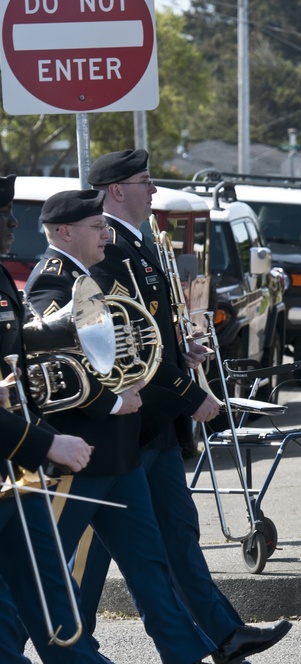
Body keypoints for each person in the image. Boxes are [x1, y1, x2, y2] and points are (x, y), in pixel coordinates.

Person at [84, 149, 291, 663]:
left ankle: (223, 635)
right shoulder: (105, 248)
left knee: (176, 534)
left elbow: (149, 331)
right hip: (130, 424)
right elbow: (121, 349)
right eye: (144, 181)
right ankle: (61, 644)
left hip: (153, 425)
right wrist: (190, 393)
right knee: (98, 555)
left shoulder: (138, 241)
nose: (153, 189)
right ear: (116, 190)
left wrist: (183, 351)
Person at [24, 188, 219, 663]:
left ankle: (184, 654)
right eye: (97, 227)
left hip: (119, 454)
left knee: (147, 564)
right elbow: (52, 365)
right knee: (40, 572)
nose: (106, 234)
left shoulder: (88, 274)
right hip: (80, 454)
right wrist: (111, 402)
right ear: (64, 232)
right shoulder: (52, 280)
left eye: (105, 226)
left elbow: (124, 348)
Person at [0, 175, 107, 663]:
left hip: (15, 471)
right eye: (4, 213)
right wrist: (43, 443)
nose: (14, 221)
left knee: (52, 599)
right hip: (20, 455)